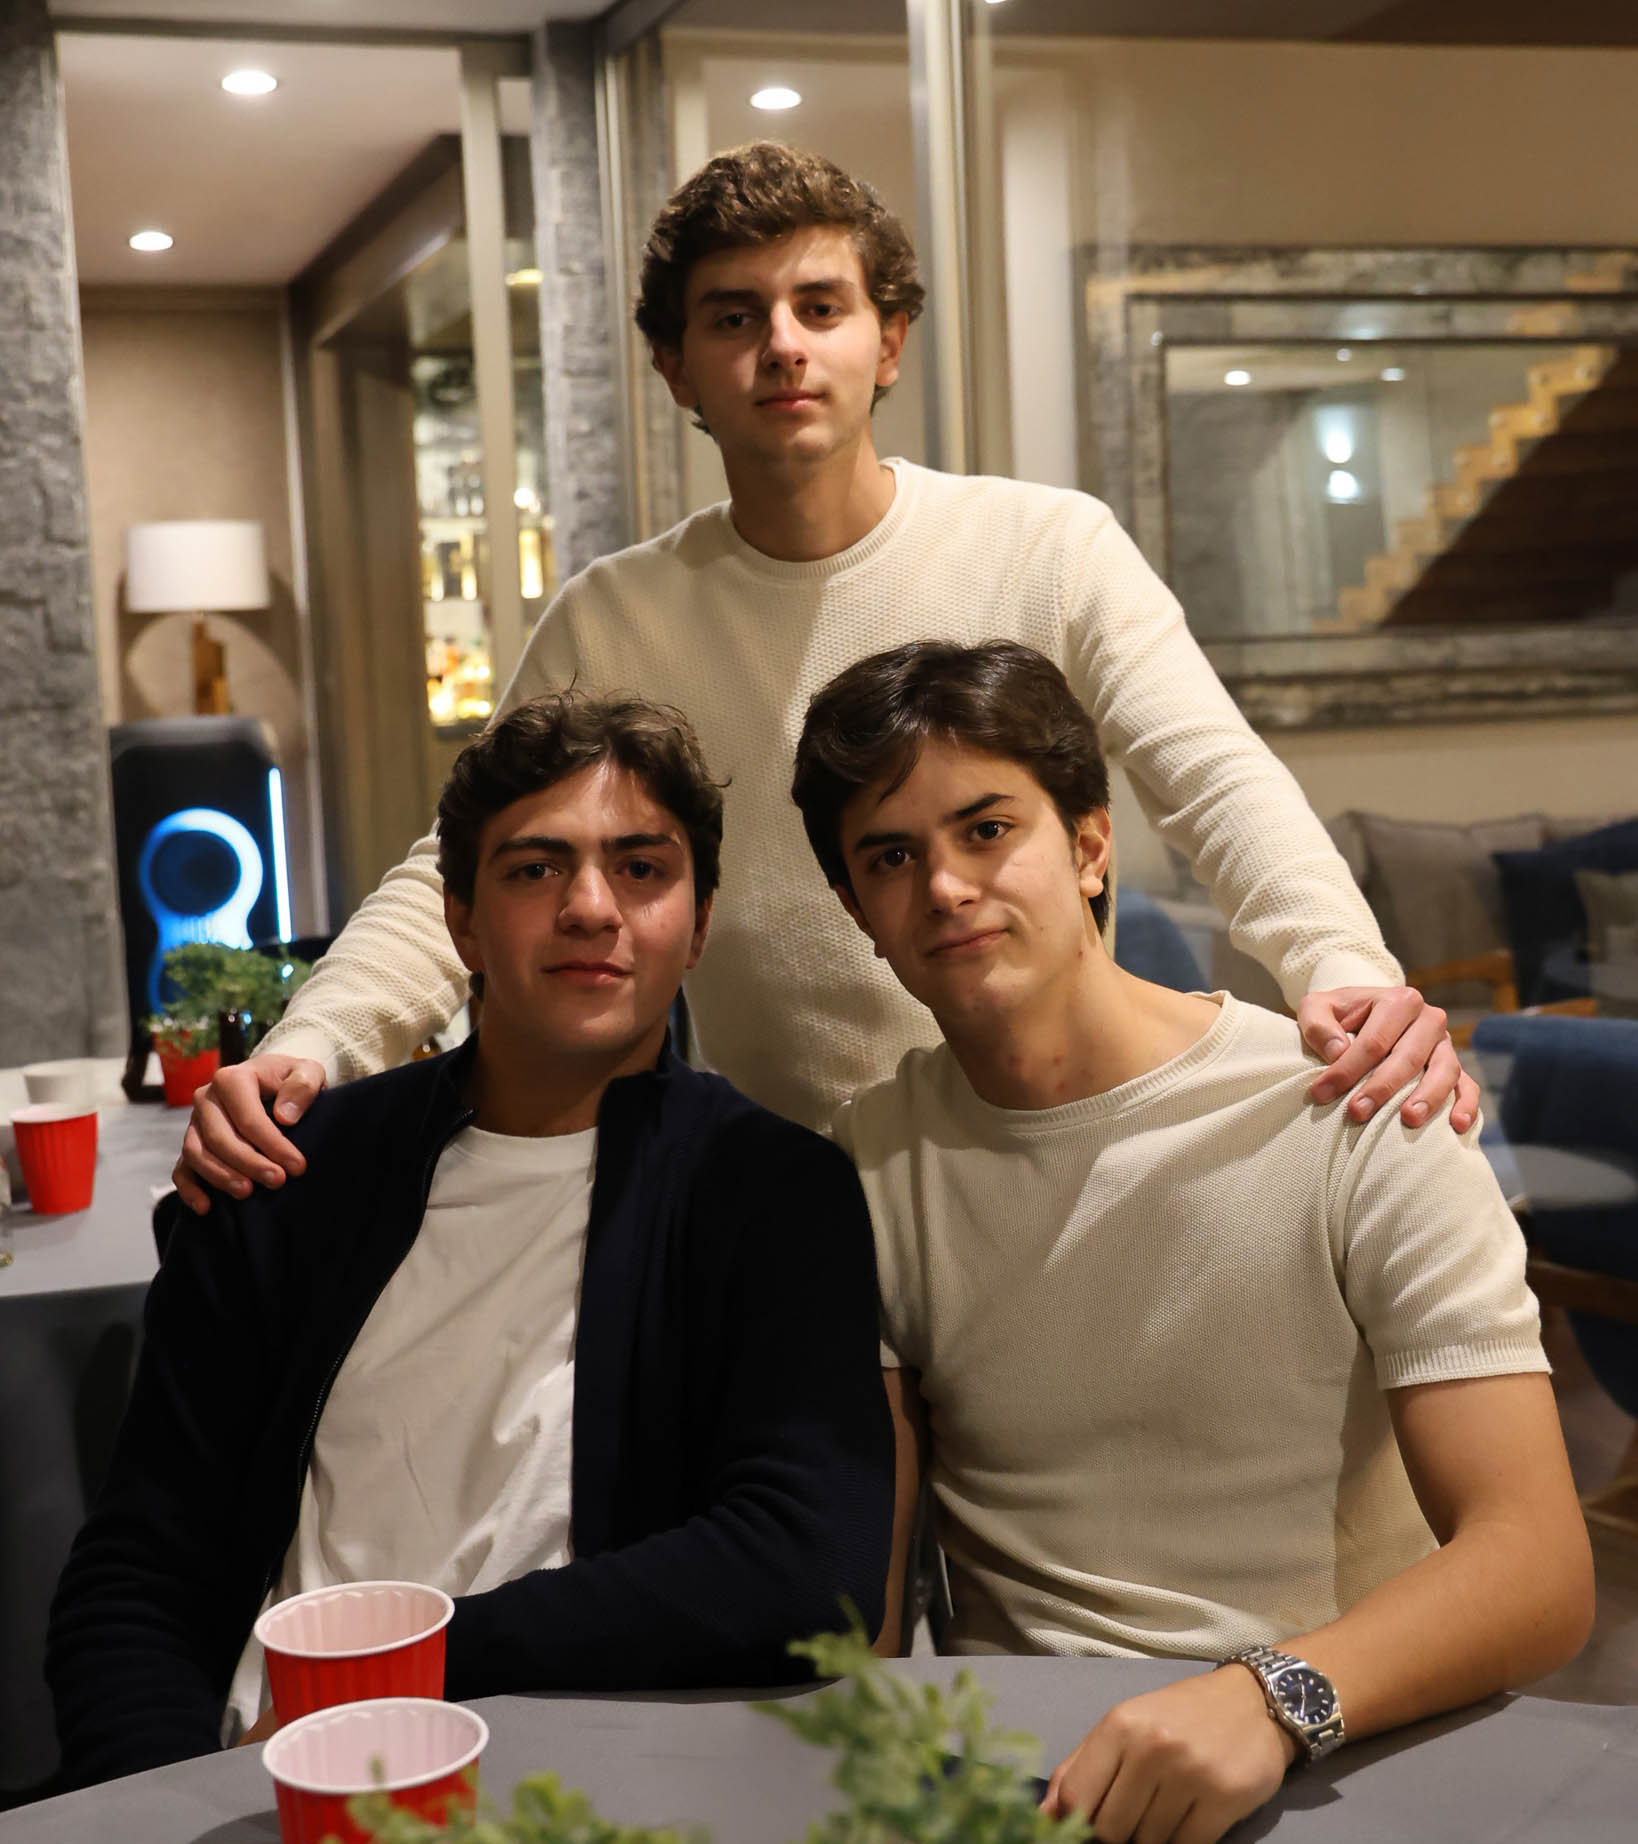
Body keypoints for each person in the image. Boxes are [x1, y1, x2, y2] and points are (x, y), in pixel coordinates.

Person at [172, 141, 1473, 1208]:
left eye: (820, 307)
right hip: (794, 1185)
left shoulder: (1050, 547)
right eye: (735, 318)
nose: (782, 346)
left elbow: (1213, 777)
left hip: (1055, 1144)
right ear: (677, 368)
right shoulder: (617, 614)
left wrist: (1340, 967)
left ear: (886, 341)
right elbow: (457, 865)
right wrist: (314, 1043)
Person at [791, 639, 1595, 1844]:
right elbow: (866, 1595)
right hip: (1021, 1785)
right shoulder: (864, 1161)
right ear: (858, 912)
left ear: (1091, 845)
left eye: (987, 828)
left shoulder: (1356, 1108)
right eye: (891, 857)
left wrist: (1270, 1698)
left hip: (1340, 1749)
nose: (945, 886)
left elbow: (1537, 1564)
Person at [48, 696, 894, 1790]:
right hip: (257, 1782)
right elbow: (139, 1576)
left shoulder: (770, 1192)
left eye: (641, 869)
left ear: (699, 923)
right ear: (460, 923)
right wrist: (158, 1806)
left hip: (591, 1798)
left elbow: (805, 1564)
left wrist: (399, 1671)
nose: (591, 907)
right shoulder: (291, 1181)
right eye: (536, 869)